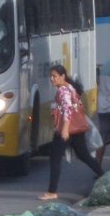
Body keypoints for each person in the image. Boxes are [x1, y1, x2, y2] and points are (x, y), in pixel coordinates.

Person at [38, 65, 104, 200]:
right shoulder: (70, 87)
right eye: (51, 76)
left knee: (55, 158)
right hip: (77, 128)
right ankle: (103, 175)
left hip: (66, 129)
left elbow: (67, 110)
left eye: (55, 76)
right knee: (83, 155)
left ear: (62, 76)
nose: (52, 79)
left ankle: (52, 192)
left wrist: (64, 130)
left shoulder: (63, 90)